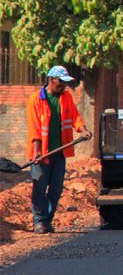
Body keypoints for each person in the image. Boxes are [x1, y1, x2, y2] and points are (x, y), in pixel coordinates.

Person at [25, 66, 92, 234]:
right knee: (39, 187)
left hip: (60, 153)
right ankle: (39, 221)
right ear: (51, 80)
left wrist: (83, 130)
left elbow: (75, 117)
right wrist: (37, 151)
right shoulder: (36, 100)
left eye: (65, 83)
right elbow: (34, 128)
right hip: (41, 154)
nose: (63, 85)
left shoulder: (66, 97)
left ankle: (48, 219)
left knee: (56, 189)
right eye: (61, 82)